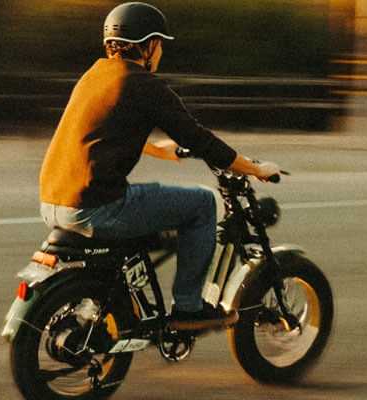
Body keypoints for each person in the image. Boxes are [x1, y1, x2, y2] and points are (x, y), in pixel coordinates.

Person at [39, 2, 279, 330]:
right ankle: (189, 309)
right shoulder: (143, 84)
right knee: (202, 204)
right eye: (161, 43)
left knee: (158, 209)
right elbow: (199, 138)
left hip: (54, 201)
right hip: (96, 206)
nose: (162, 51)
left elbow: (97, 132)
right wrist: (253, 167)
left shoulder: (95, 75)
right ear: (149, 44)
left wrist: (157, 150)